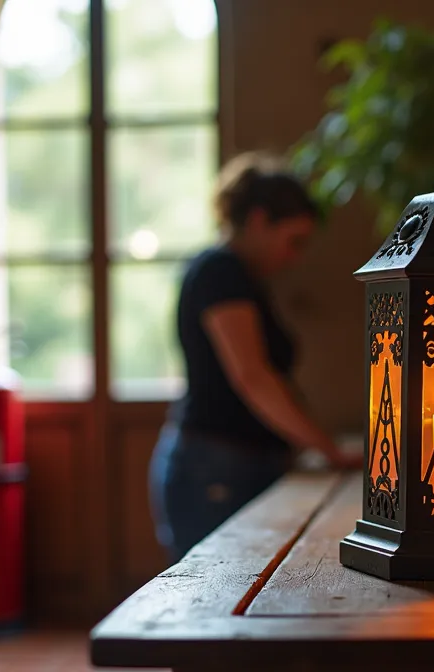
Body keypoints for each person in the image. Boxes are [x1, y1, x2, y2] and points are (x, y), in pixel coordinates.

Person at [150, 152, 361, 563]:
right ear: (260, 220)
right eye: (293, 241)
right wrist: (328, 450)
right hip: (215, 467)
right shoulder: (220, 271)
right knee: (215, 588)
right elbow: (253, 376)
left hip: (229, 463)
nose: (294, 257)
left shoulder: (239, 277)